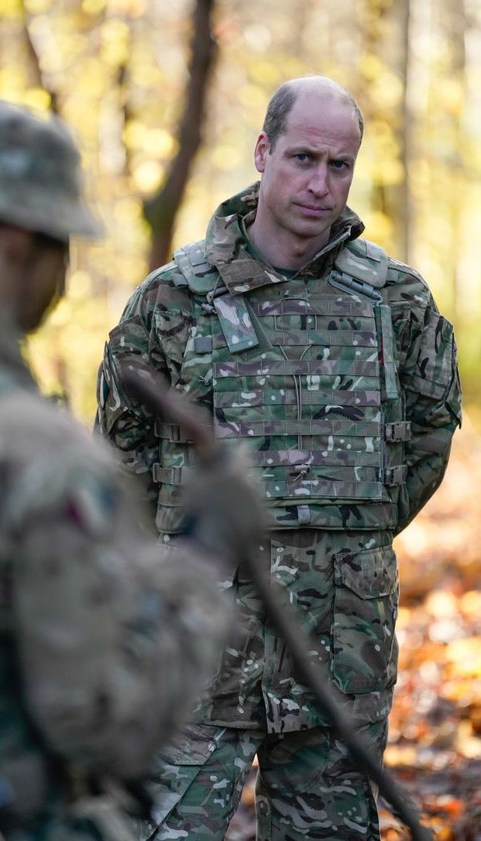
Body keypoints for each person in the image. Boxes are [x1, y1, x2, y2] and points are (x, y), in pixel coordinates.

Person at [96, 75, 462, 841]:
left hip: (341, 649)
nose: (319, 184)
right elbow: (119, 450)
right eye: (302, 158)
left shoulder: (396, 303)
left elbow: (429, 433)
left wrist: (351, 542)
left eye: (339, 165)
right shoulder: (174, 300)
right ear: (263, 152)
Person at [0, 97, 267, 841]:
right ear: (14, 242)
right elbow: (107, 724)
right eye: (59, 243)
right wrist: (205, 548)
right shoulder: (31, 452)